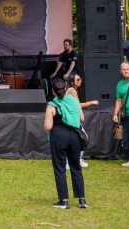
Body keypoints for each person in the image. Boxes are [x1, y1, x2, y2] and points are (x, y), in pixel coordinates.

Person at [44, 77, 87, 209]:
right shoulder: (74, 100)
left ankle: (63, 201)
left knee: (60, 168)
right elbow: (82, 118)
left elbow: (48, 126)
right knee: (76, 167)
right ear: (65, 88)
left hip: (59, 138)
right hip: (74, 136)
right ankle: (82, 200)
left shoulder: (52, 105)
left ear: (53, 91)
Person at [66, 72, 98, 168]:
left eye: (80, 79)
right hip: (72, 119)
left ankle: (76, 160)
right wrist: (91, 102)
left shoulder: (72, 90)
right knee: (83, 138)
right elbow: (78, 105)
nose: (80, 81)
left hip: (73, 119)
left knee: (79, 139)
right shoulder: (72, 90)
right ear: (72, 82)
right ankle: (70, 162)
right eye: (78, 80)